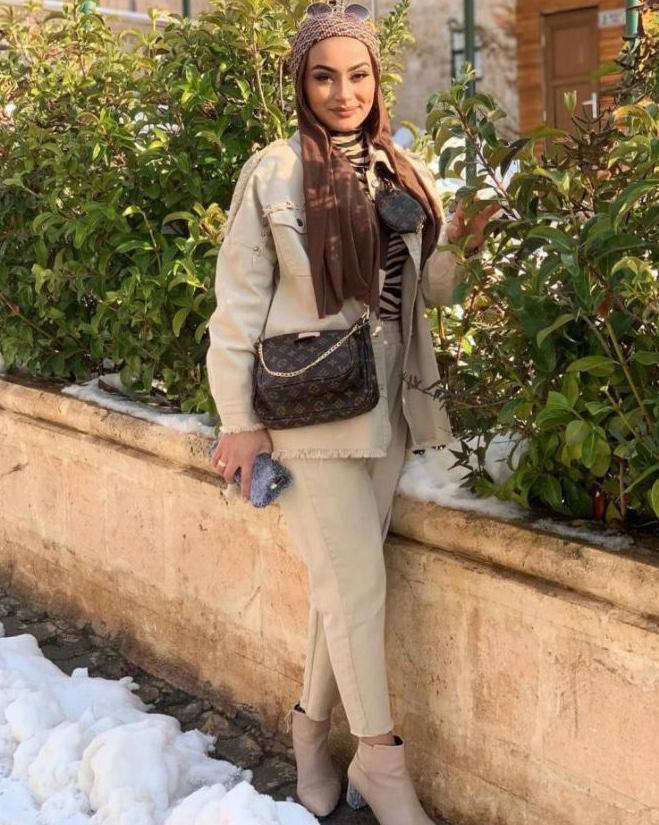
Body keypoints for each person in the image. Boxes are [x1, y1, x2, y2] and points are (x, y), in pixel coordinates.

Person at [207, 4, 497, 824]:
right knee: (357, 584)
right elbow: (237, 303)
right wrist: (238, 419)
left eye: (358, 74)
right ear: (301, 84)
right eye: (324, 76)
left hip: (388, 410)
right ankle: (379, 759)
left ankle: (308, 732)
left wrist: (458, 239)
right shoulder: (274, 172)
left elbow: (430, 292)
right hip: (308, 412)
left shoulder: (400, 170)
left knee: (343, 587)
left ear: (376, 78)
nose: (343, 92)